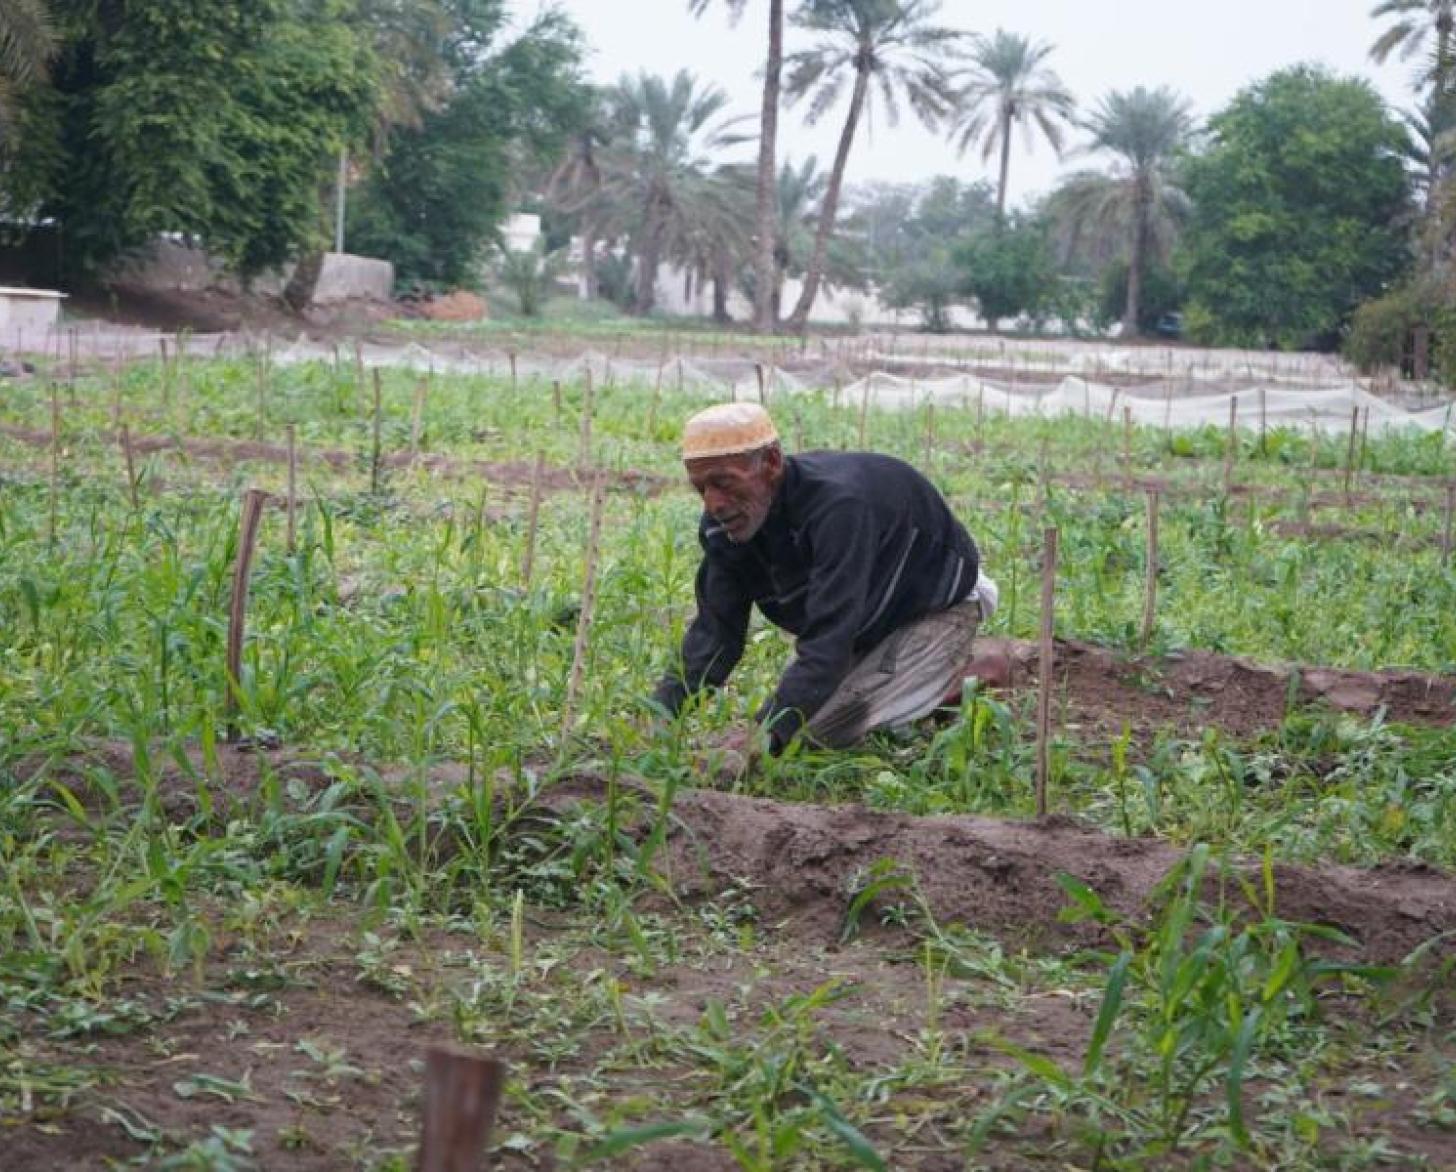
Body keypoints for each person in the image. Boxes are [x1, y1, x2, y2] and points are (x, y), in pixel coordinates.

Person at [651, 401, 998, 767]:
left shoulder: (838, 508)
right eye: (700, 488)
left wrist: (761, 735)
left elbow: (828, 641)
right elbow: (716, 635)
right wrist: (660, 715)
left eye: (723, 483)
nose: (714, 503)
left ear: (771, 463)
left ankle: (971, 673)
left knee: (815, 736)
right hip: (863, 625)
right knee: (807, 713)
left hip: (934, 609)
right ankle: (907, 688)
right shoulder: (726, 529)